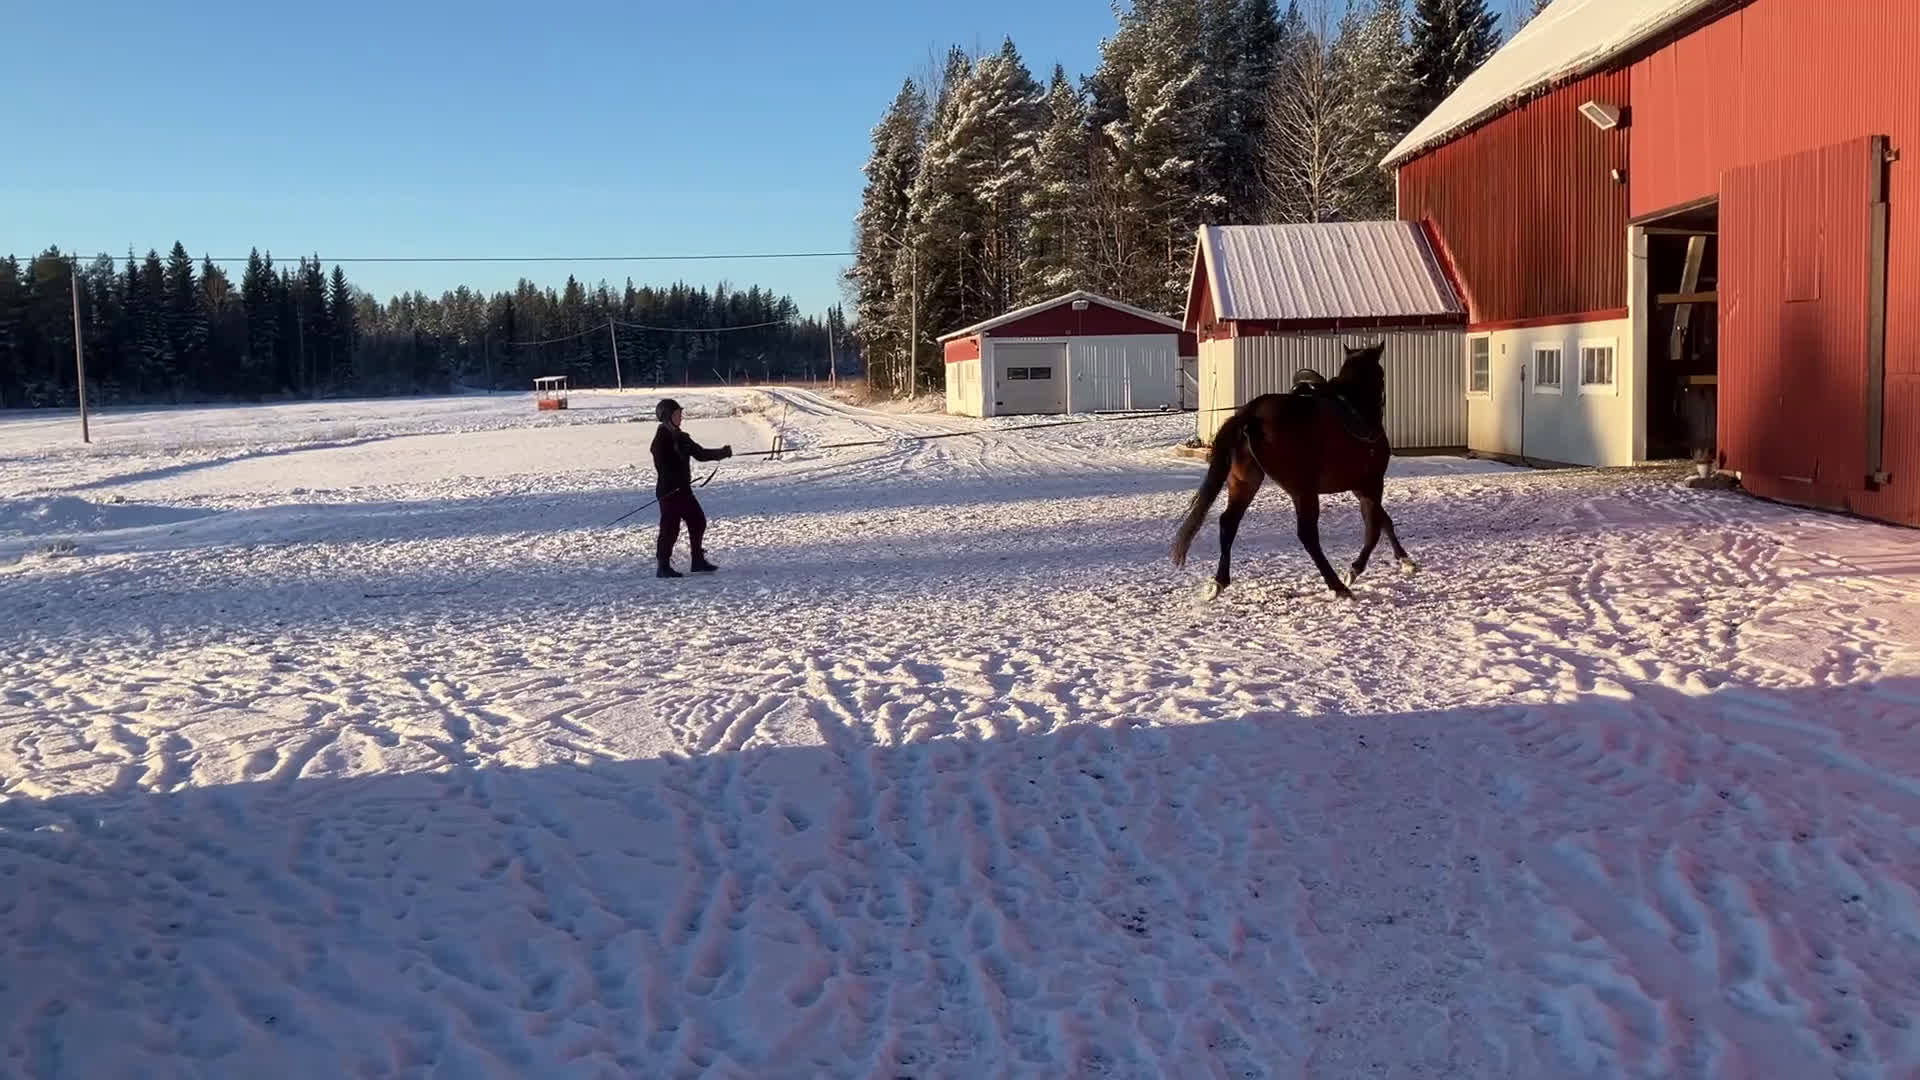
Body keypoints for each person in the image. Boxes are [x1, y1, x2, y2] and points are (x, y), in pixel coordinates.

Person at [650, 398, 732, 578]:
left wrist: (722, 453)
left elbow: (700, 454)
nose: (681, 417)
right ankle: (662, 566)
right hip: (669, 492)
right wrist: (677, 453)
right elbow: (661, 463)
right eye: (677, 414)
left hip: (684, 491)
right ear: (666, 417)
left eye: (680, 413)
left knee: (698, 521)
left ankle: (697, 561)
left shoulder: (682, 436)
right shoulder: (661, 439)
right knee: (670, 529)